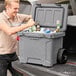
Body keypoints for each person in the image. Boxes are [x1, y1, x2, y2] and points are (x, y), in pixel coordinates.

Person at [0, 0, 35, 76]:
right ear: (7, 7)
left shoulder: (17, 16)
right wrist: (27, 25)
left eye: (18, 8)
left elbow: (32, 17)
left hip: (13, 54)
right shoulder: (1, 18)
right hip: (1, 56)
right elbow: (9, 31)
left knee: (20, 74)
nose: (17, 11)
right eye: (15, 9)